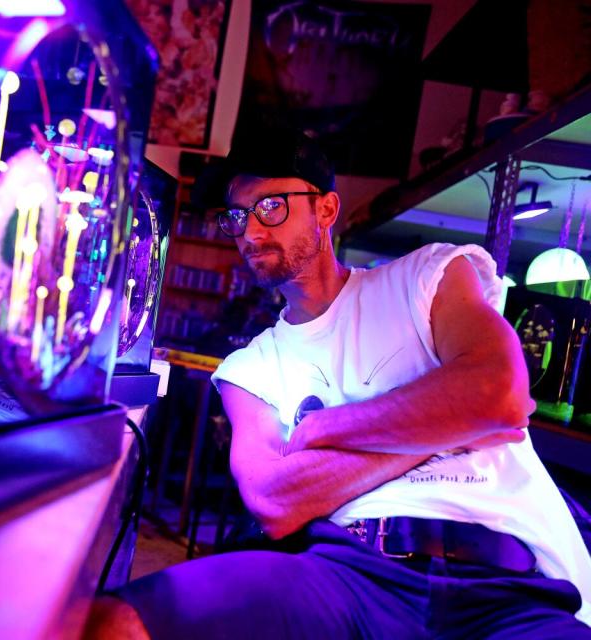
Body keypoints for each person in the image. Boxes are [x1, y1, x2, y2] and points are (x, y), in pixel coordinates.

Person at [84, 131, 591, 639]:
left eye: (271, 206)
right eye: (237, 216)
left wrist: (323, 429)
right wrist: (450, 424)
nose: (251, 231)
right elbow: (274, 501)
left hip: (508, 586)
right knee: (112, 623)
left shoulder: (426, 276)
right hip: (350, 571)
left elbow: (497, 393)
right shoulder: (250, 366)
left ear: (326, 210)